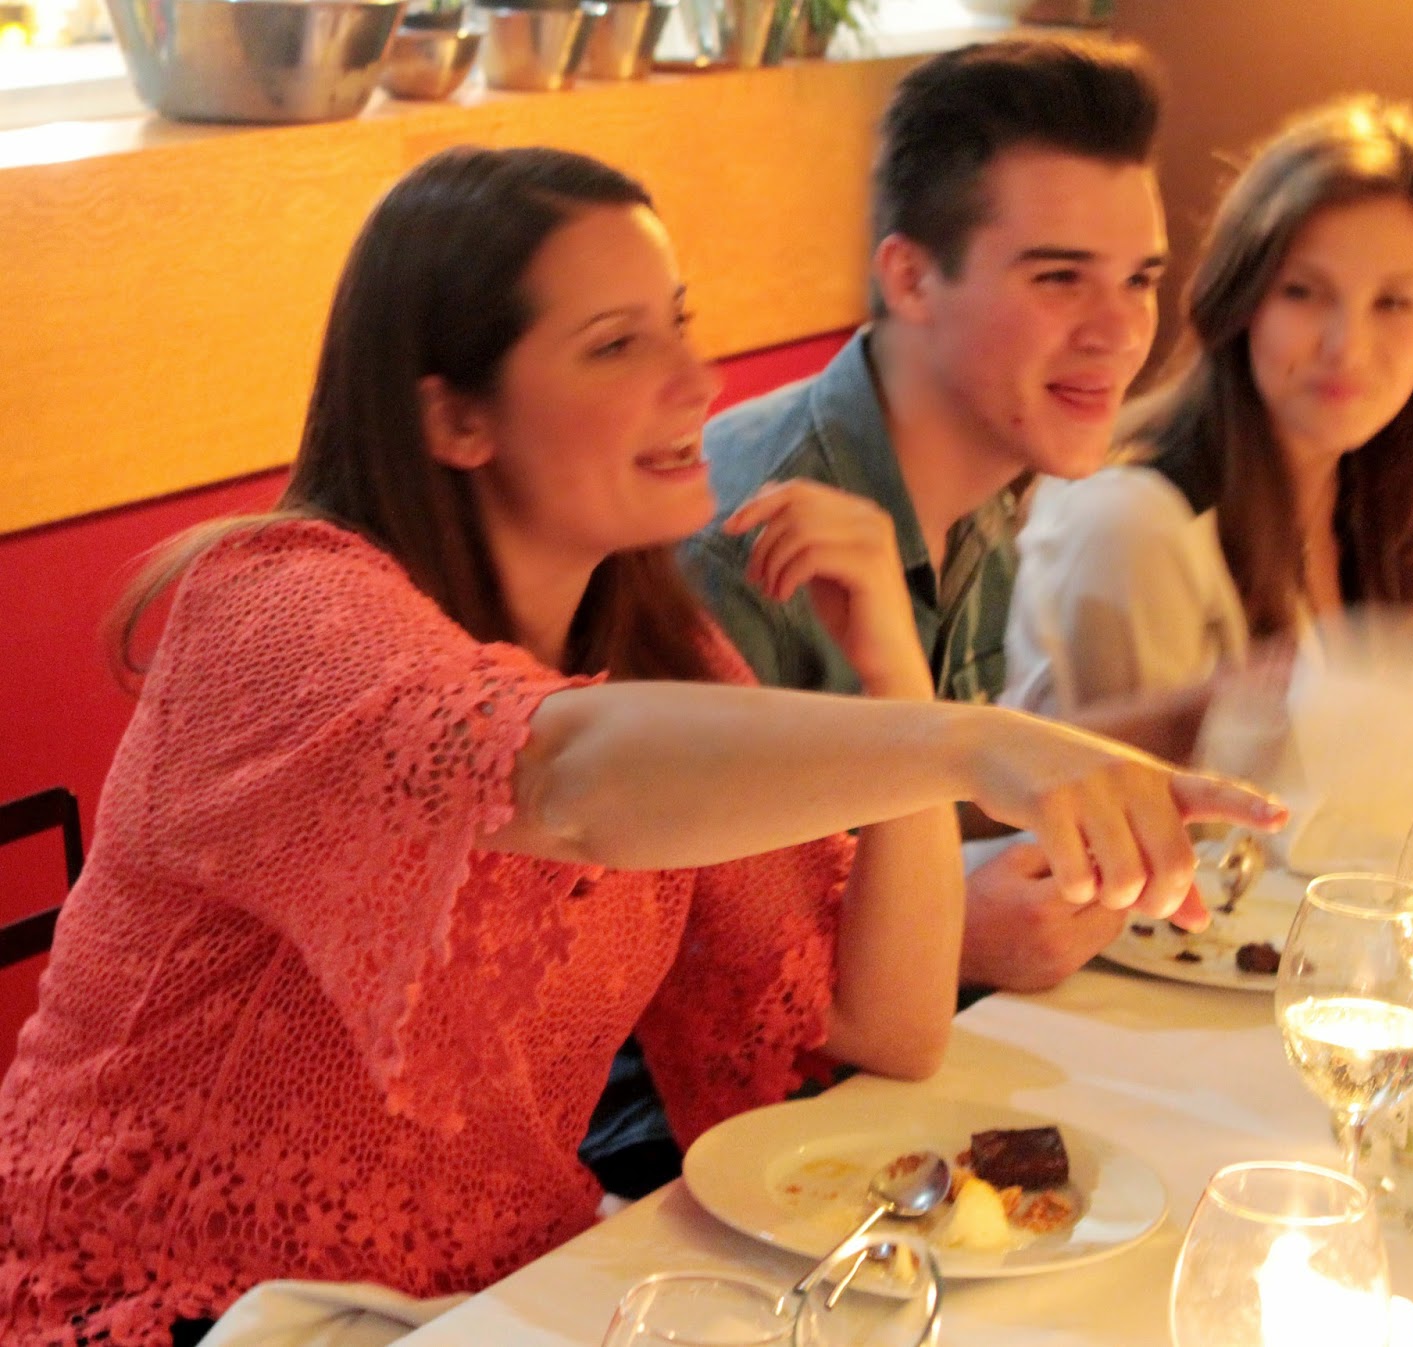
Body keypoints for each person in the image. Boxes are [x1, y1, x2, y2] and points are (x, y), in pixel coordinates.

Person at [0, 147, 1281, 1347]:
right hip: (176, 1305)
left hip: (482, 1298)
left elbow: (885, 1027)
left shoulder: (650, 642)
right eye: (617, 345)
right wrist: (968, 741)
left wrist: (891, 669)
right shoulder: (278, 607)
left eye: (678, 323)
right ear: (456, 419)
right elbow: (555, 777)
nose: (695, 379)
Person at [685, 37, 1172, 994]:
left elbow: (910, 804)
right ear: (911, 280)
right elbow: (671, 981)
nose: (1120, 332)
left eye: (1141, 280)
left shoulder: (991, 490)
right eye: (1059, 277)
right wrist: (951, 941)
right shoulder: (741, 545)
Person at [1004, 95, 1413, 752]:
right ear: (1241, 296)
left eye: (1393, 303)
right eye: (1303, 292)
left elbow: (1303, 711)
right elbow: (1133, 788)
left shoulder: (1351, 483)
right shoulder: (1133, 519)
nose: (1348, 348)